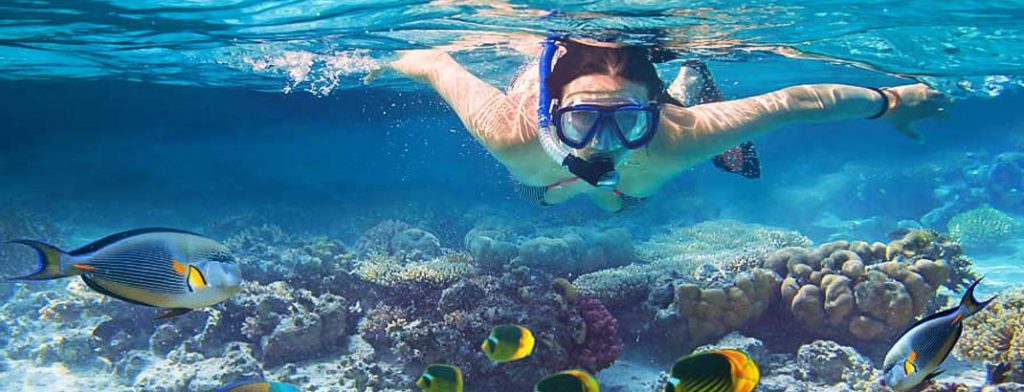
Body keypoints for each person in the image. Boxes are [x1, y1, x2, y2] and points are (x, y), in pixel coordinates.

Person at [390, 37, 950, 212]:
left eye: (629, 119)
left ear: (652, 112)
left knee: (621, 199)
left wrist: (892, 100)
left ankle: (687, 81)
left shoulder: (676, 135)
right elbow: (436, 62)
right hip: (544, 171)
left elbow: (794, 100)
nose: (603, 143)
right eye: (583, 119)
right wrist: (374, 62)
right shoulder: (509, 130)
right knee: (549, 193)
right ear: (550, 112)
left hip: (650, 143)